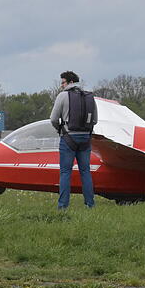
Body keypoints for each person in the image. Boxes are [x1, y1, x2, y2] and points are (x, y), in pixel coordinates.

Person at [50, 71, 97, 210]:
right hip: (85, 138)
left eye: (63, 82)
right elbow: (95, 119)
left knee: (65, 172)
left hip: (68, 137)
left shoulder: (63, 96)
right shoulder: (89, 96)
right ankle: (90, 204)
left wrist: (60, 129)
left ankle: (63, 206)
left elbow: (53, 118)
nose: (61, 85)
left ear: (70, 82)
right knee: (85, 171)